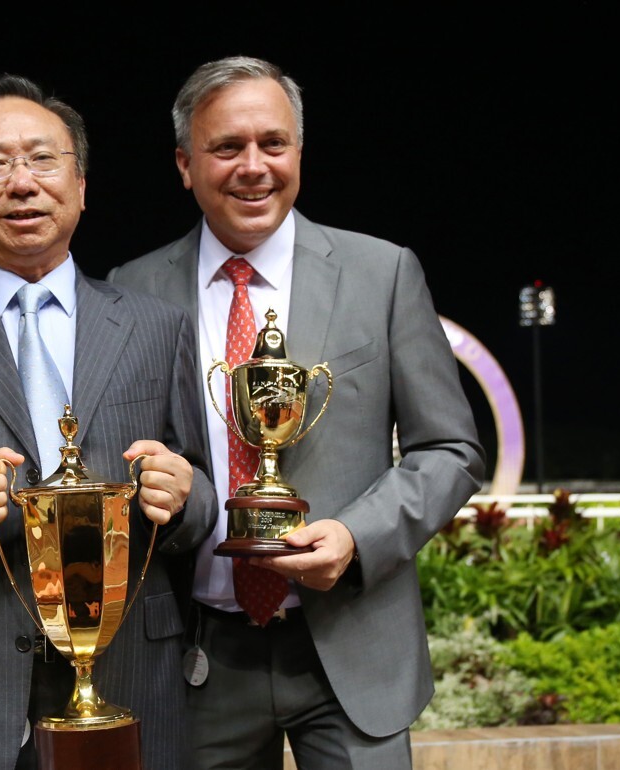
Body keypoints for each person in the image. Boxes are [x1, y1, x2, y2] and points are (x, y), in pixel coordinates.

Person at [107, 56, 485, 768]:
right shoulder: (132, 293)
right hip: (199, 657)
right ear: (185, 165)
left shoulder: (383, 274)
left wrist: (356, 536)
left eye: (273, 144)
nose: (254, 167)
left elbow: (452, 451)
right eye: (227, 148)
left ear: (299, 153)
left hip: (352, 649)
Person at [0, 74, 217, 770]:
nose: (21, 183)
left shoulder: (155, 327)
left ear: (81, 185)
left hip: (131, 681)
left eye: (42, 159)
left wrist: (185, 496)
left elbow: (203, 504)